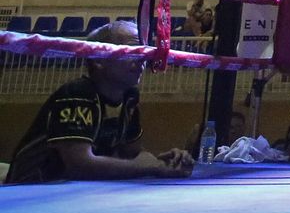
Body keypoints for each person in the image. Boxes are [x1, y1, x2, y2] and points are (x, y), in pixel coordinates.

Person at [5, 21, 193, 183]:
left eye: (143, 54)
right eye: (132, 53)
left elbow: (133, 153)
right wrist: (148, 168)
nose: (142, 61)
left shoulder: (129, 97)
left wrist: (163, 162)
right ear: (99, 59)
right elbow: (79, 165)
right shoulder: (77, 93)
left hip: (74, 192)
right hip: (32, 188)